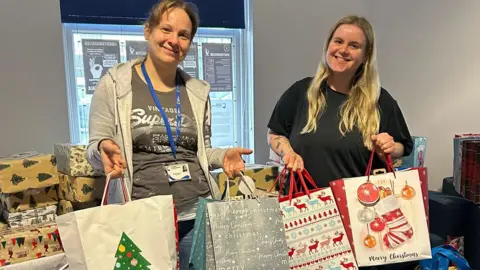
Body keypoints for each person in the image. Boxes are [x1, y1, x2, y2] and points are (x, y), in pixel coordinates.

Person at [86, 0, 252, 268]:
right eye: (166, 29)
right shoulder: (115, 84)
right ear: (148, 31)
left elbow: (201, 152)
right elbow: (95, 150)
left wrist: (222, 157)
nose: (174, 40)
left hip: (196, 214)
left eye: (183, 35)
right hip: (142, 216)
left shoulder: (196, 92)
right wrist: (103, 147)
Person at [267, 15, 413, 188]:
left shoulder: (379, 100)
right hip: (304, 208)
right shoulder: (301, 92)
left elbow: (403, 147)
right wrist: (288, 153)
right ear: (328, 45)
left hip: (358, 209)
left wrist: (389, 147)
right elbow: (275, 133)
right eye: (338, 41)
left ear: (366, 55)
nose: (343, 50)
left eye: (354, 46)